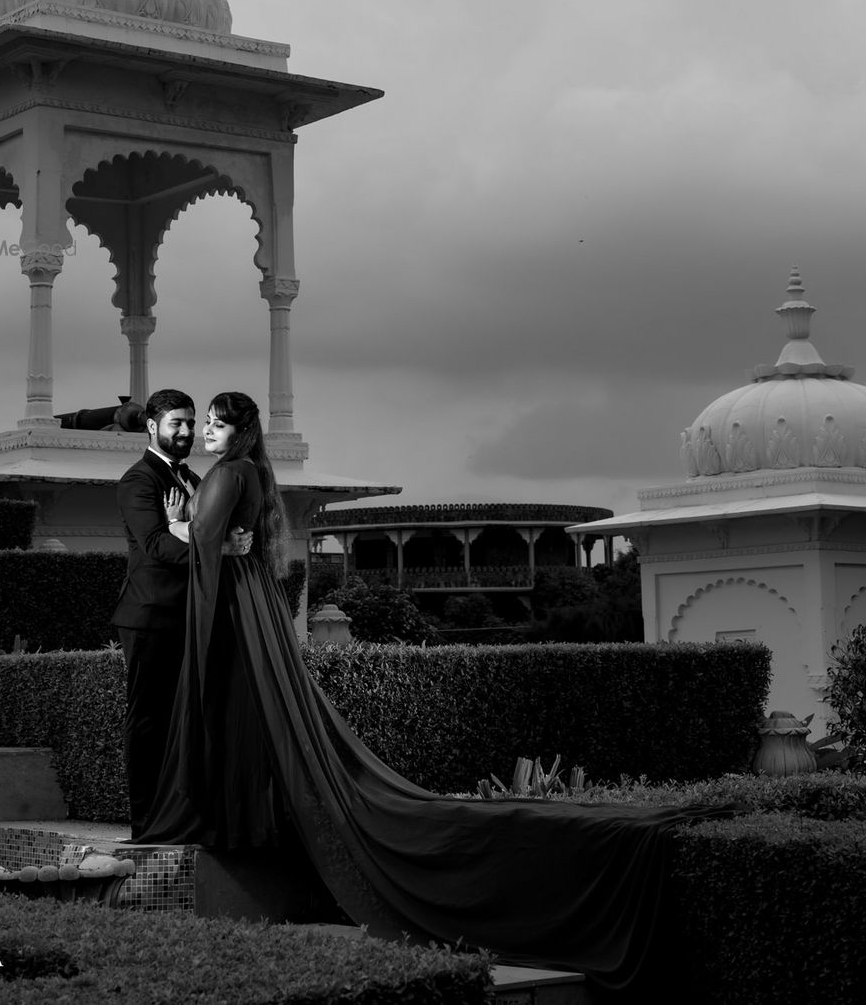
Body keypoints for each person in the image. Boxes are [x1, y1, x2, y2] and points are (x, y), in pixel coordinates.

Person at [137, 392, 730, 995]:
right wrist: (206, 533)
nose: (205, 432)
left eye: (214, 423)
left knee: (241, 711)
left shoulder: (225, 474)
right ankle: (247, 816)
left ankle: (236, 818)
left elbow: (205, 543)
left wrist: (179, 525)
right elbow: (223, 541)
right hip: (251, 603)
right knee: (258, 715)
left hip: (236, 611)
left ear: (237, 431)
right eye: (201, 423)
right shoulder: (254, 473)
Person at [111, 387, 251, 837]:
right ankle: (144, 821)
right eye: (177, 423)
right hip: (151, 617)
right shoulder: (138, 480)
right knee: (149, 721)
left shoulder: (191, 476)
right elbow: (154, 546)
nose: (188, 432)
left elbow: (198, 528)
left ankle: (180, 815)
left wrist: (191, 528)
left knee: (186, 720)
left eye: (192, 423)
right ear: (152, 427)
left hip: (190, 614)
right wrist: (216, 544)